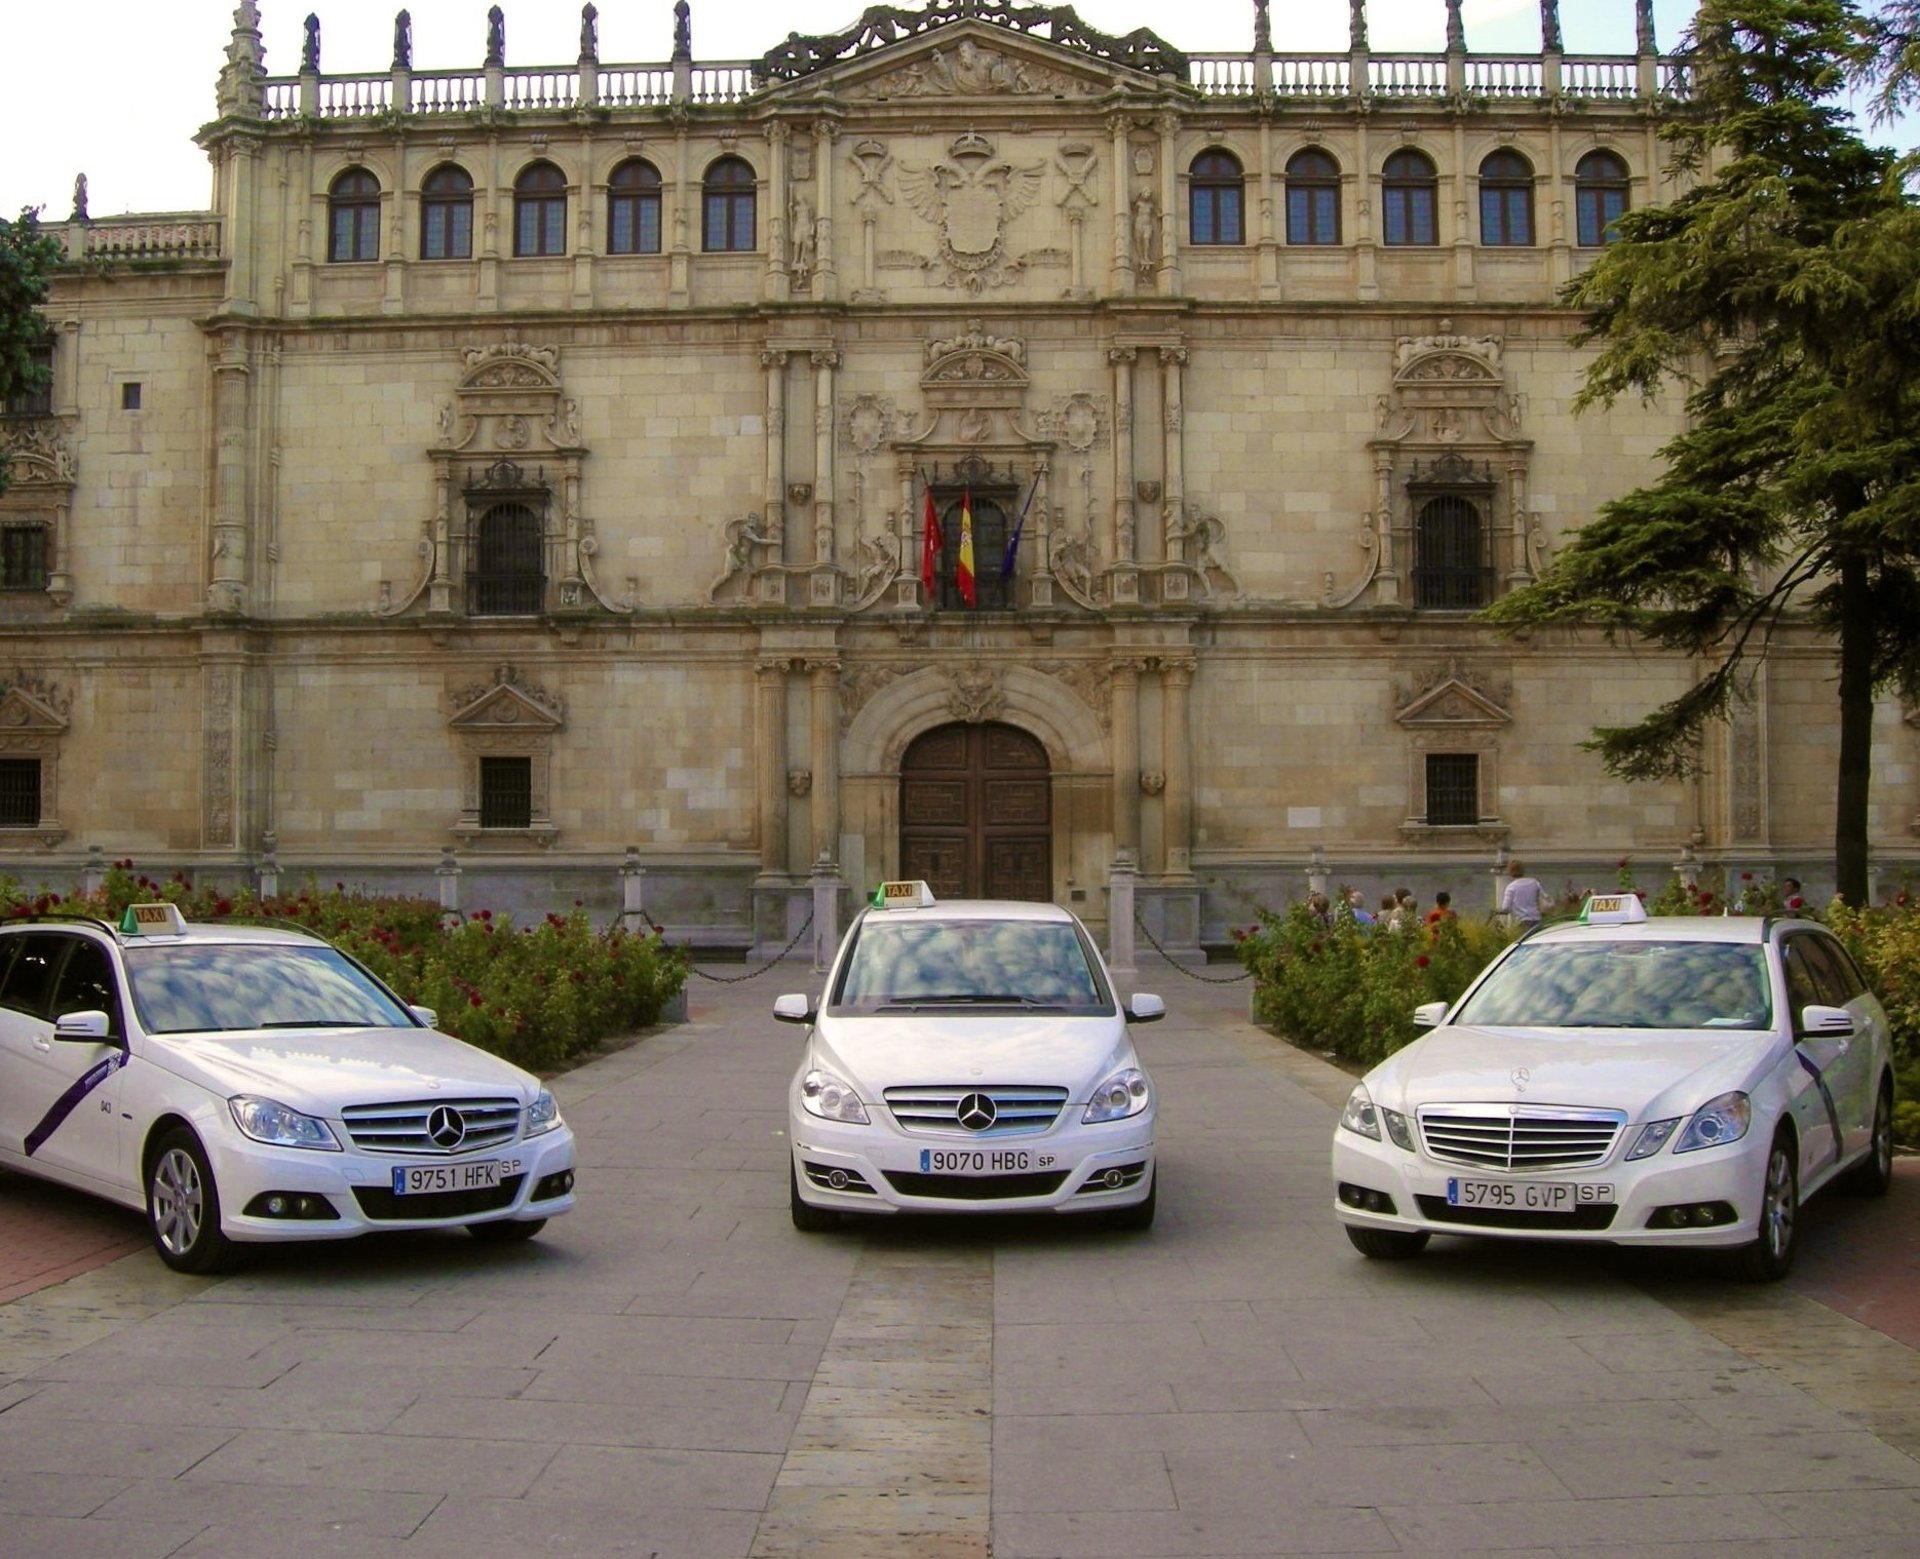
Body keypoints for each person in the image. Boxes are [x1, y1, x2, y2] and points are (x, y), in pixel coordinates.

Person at [1501, 859, 1546, 926]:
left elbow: (1506, 908)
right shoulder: (1534, 882)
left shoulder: (1511, 887)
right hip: (1537, 919)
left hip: (1522, 921)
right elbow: (1543, 896)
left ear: (1510, 872)